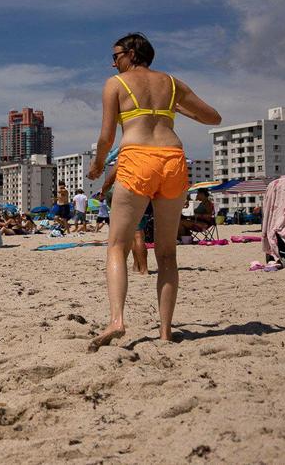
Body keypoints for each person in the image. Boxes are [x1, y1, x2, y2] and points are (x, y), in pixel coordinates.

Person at [87, 32, 220, 351]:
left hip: (137, 157)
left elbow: (107, 136)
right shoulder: (172, 84)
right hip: (173, 159)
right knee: (167, 253)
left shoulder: (115, 84)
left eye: (116, 55)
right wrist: (172, 109)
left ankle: (117, 320)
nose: (113, 62)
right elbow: (212, 117)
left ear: (132, 54)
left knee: (117, 246)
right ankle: (165, 331)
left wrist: (98, 165)